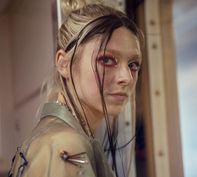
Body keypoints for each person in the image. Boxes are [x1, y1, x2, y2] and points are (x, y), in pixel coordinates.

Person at [8, 2, 143, 177]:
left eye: (133, 65)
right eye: (107, 60)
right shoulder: (65, 145)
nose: (126, 77)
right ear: (64, 64)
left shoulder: (55, 136)